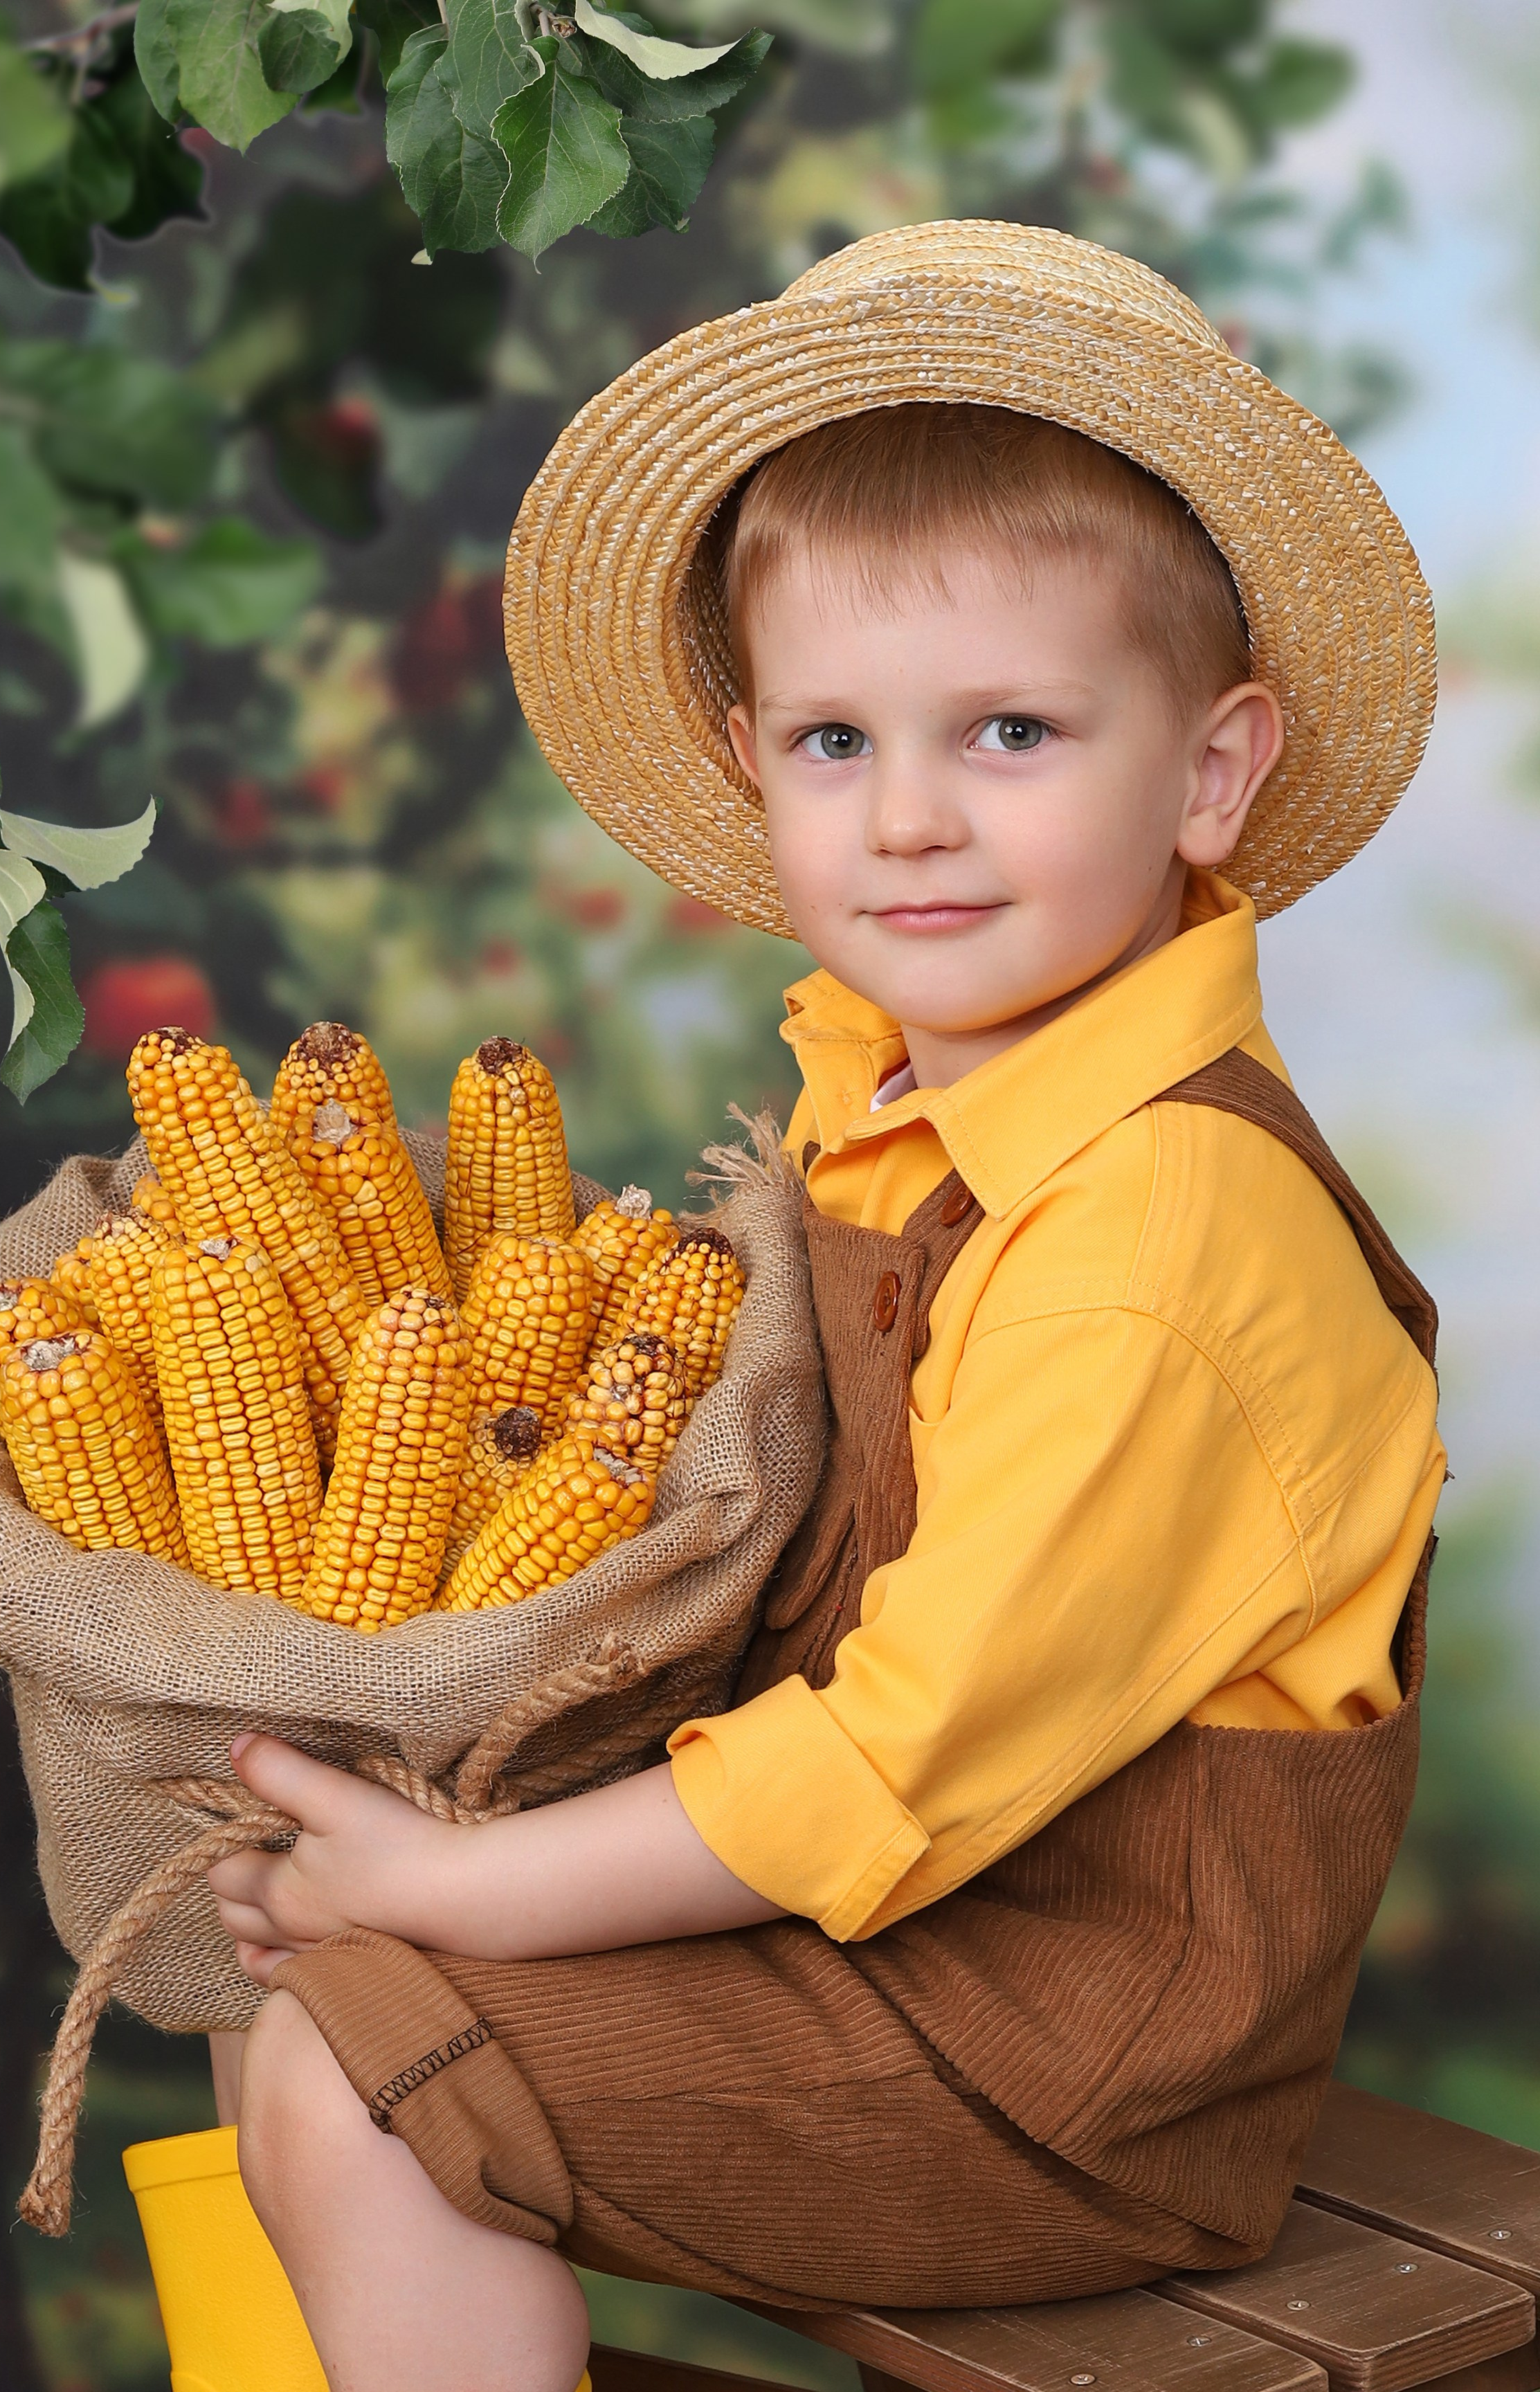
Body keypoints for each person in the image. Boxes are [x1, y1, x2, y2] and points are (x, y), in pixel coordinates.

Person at [205, 221, 1444, 2392]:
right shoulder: (891, 1115)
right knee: (303, 2035)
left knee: (365, 2071)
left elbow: (906, 1758)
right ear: (752, 763)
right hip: (919, 1960)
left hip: (1083, 2064)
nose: (914, 818)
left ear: (1214, 772)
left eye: (1012, 730)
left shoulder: (1160, 1231)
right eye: (836, 738)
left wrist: (470, 1893)